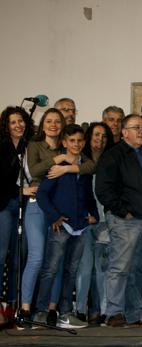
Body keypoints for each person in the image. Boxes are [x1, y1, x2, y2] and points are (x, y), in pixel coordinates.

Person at [18, 108, 95, 328]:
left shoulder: (78, 162)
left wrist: (70, 167)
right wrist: (58, 161)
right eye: (48, 121)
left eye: (57, 121)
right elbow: (35, 177)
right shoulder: (37, 148)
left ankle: (59, 312)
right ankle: (33, 310)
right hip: (44, 210)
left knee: (66, 268)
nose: (77, 144)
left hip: (76, 222)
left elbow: (89, 174)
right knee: (41, 261)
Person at [95, 114, 142, 327]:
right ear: (124, 132)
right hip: (125, 219)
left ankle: (135, 313)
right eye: (136, 127)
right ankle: (113, 312)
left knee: (136, 269)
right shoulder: (114, 155)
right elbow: (103, 189)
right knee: (119, 267)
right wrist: (123, 212)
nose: (141, 131)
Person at [75, 122, 114, 325]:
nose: (100, 139)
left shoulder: (111, 161)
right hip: (85, 221)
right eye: (96, 135)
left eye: (104, 136)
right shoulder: (81, 161)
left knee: (103, 269)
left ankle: (104, 311)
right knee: (84, 268)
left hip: (106, 222)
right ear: (89, 138)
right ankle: (80, 310)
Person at [0, 106, 34, 325]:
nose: (18, 125)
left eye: (21, 121)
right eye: (13, 122)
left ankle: (12, 306)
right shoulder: (1, 148)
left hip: (25, 207)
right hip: (4, 205)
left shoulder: (28, 146)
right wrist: (18, 191)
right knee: (0, 256)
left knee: (19, 257)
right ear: (6, 126)